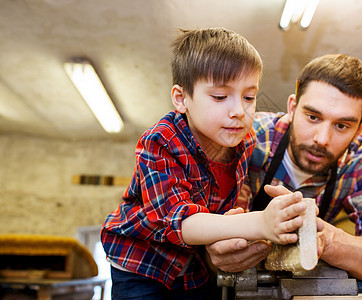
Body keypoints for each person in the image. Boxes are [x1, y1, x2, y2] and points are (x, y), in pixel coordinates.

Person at [100, 27, 313, 300]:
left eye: (249, 97)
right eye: (220, 97)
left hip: (191, 266)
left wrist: (239, 223)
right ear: (181, 99)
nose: (239, 111)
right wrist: (260, 222)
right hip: (141, 263)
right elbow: (182, 223)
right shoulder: (161, 142)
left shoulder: (244, 142)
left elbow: (226, 205)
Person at [206, 54, 362, 289]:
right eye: (312, 117)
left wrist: (326, 240)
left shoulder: (361, 159)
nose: (322, 139)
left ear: (360, 128)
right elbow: (213, 232)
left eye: (341, 126)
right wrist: (217, 249)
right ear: (292, 107)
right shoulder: (249, 138)